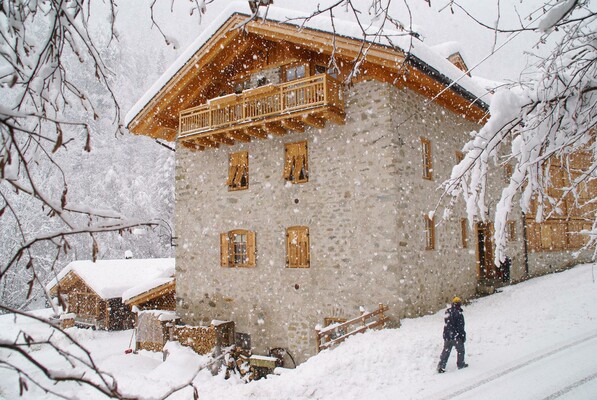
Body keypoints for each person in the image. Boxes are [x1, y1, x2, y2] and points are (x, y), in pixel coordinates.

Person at [437, 296, 468, 373]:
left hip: (448, 336)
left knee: (446, 351)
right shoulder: (459, 314)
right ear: (459, 304)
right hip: (456, 336)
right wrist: (462, 336)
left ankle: (441, 366)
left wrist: (446, 334)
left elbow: (447, 324)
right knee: (460, 350)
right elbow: (460, 327)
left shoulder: (448, 312)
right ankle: (461, 364)